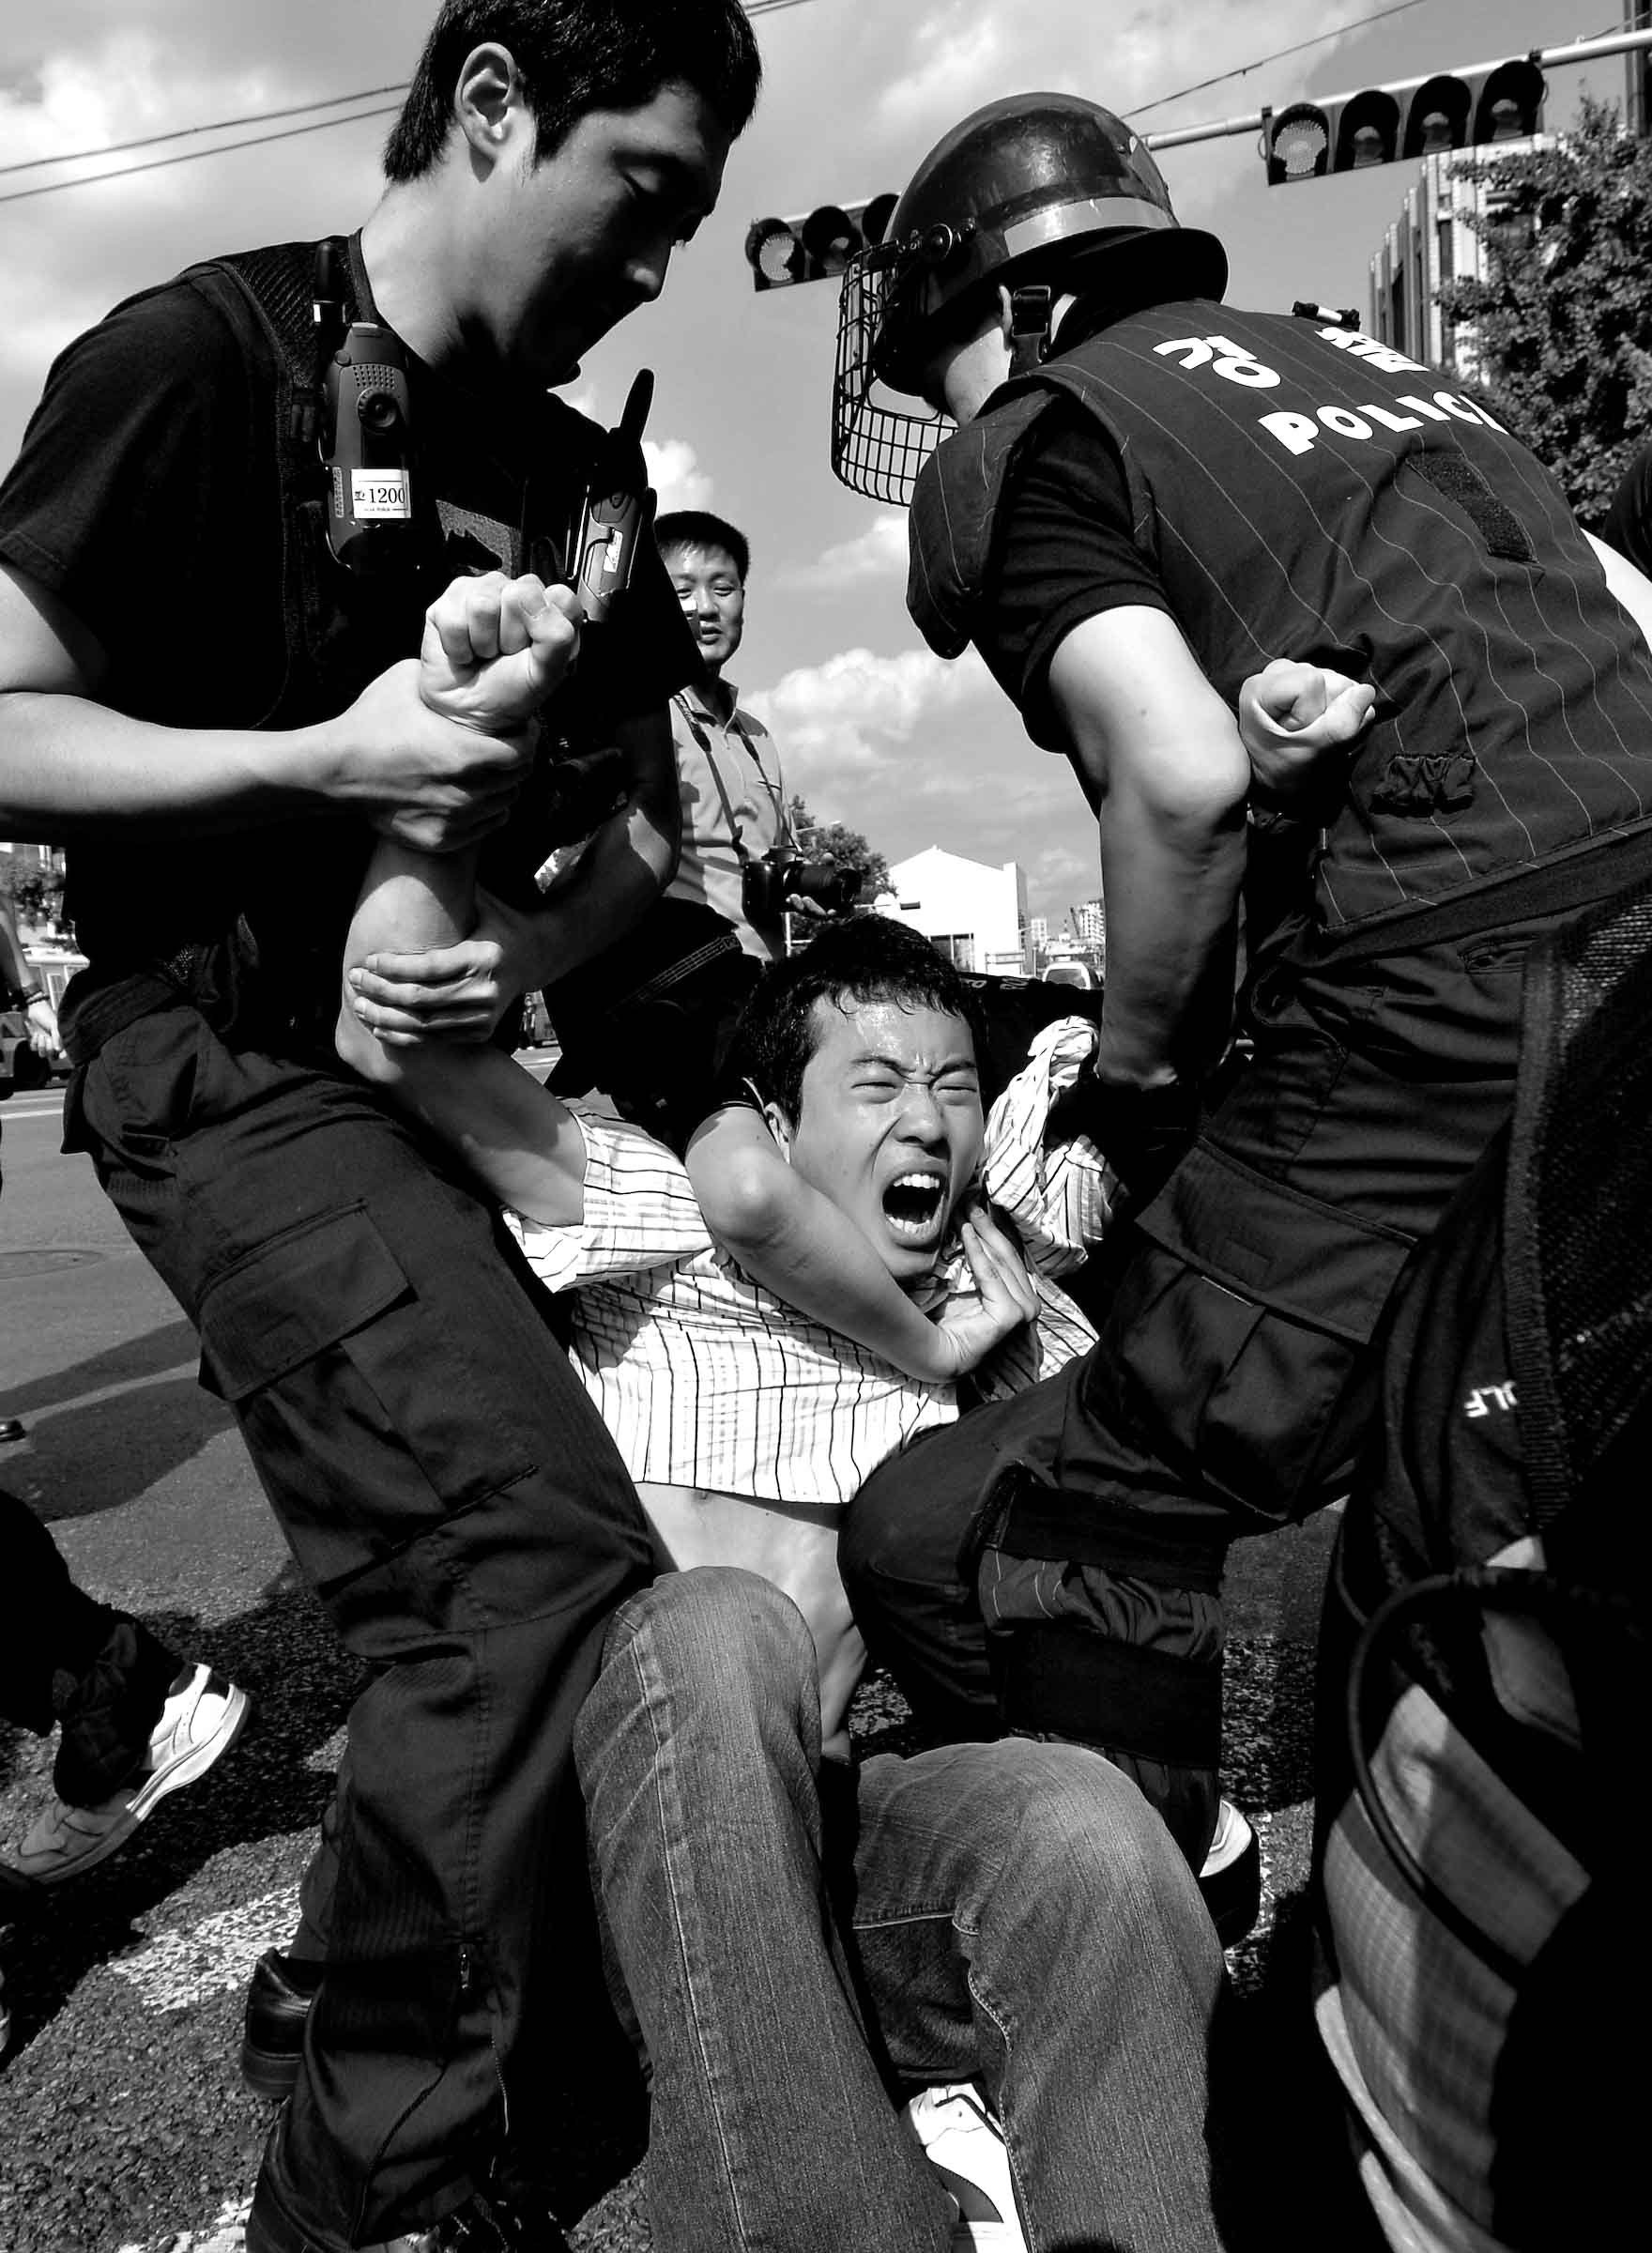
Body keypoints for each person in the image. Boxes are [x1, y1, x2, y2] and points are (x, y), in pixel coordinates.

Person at [0, 5, 762, 2247]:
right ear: (495, 102)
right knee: (512, 1566)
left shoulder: (585, 484)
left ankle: (343, 1985)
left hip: (443, 1083)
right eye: (643, 192)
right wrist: (313, 763)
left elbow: (641, 827)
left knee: (586, 1539)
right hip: (213, 1054)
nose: (660, 262)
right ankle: (362, 2193)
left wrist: (516, 948)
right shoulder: (202, 358)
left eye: (697, 221)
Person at [817, 91, 1652, 1878]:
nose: (945, 417)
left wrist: (1131, 1083)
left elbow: (1177, 780)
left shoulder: (1040, 429)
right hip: (1623, 957)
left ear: (1018, 310)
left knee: (945, 1539)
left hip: (1434, 998)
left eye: (941, 368)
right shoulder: (1398, 374)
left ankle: (1207, 1868)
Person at [333, 862, 1234, 2253]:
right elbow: (389, 1036)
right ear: (770, 1118)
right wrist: (451, 810)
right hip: (613, 1857)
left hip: (823, 1860)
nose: (925, 1118)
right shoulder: (668, 1224)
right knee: (718, 1624)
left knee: (1082, 1828)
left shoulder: (1000, 1309)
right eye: (875, 1087)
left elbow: (1140, 1094)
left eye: (952, 1086)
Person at [540, 508, 822, 1147]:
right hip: (673, 1004)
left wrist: (799, 885)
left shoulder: (758, 737)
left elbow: (767, 857)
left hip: (760, 997)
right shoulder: (632, 719)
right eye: (683, 590)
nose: (705, 608)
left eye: (724, 588)